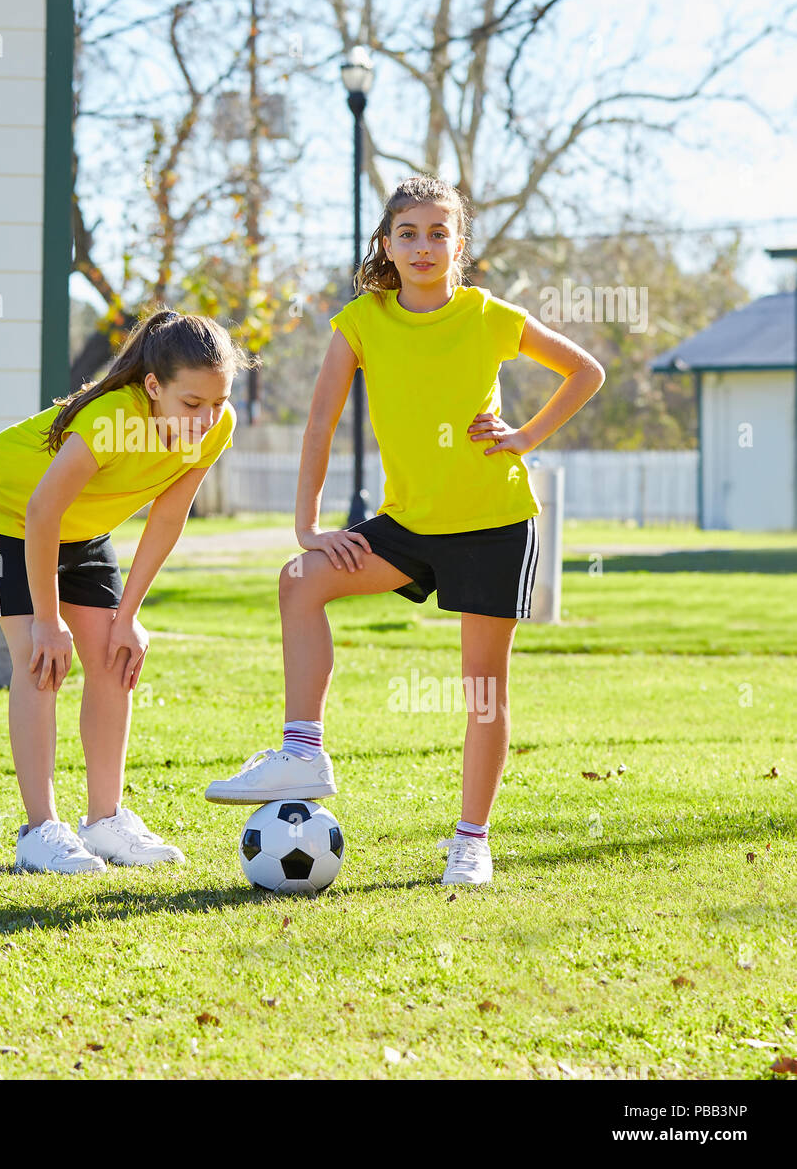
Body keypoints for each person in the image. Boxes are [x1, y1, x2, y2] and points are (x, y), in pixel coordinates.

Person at [204, 174, 605, 886]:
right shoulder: (362, 321)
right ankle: (303, 749)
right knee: (300, 580)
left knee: (483, 689)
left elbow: (585, 370)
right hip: (410, 524)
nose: (424, 245)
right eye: (409, 233)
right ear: (386, 244)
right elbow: (320, 422)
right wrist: (307, 525)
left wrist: (526, 435)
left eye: (439, 232)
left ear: (459, 244)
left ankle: (471, 840)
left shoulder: (488, 315)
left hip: (493, 522)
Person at [0, 307, 253, 874]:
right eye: (192, 404)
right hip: (8, 513)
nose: (206, 418)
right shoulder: (113, 417)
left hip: (83, 526)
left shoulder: (217, 424)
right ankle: (41, 830)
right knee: (40, 662)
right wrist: (47, 619)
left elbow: (169, 517)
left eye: (218, 402)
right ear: (152, 387)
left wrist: (129, 615)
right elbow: (43, 509)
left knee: (116, 659)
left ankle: (105, 820)